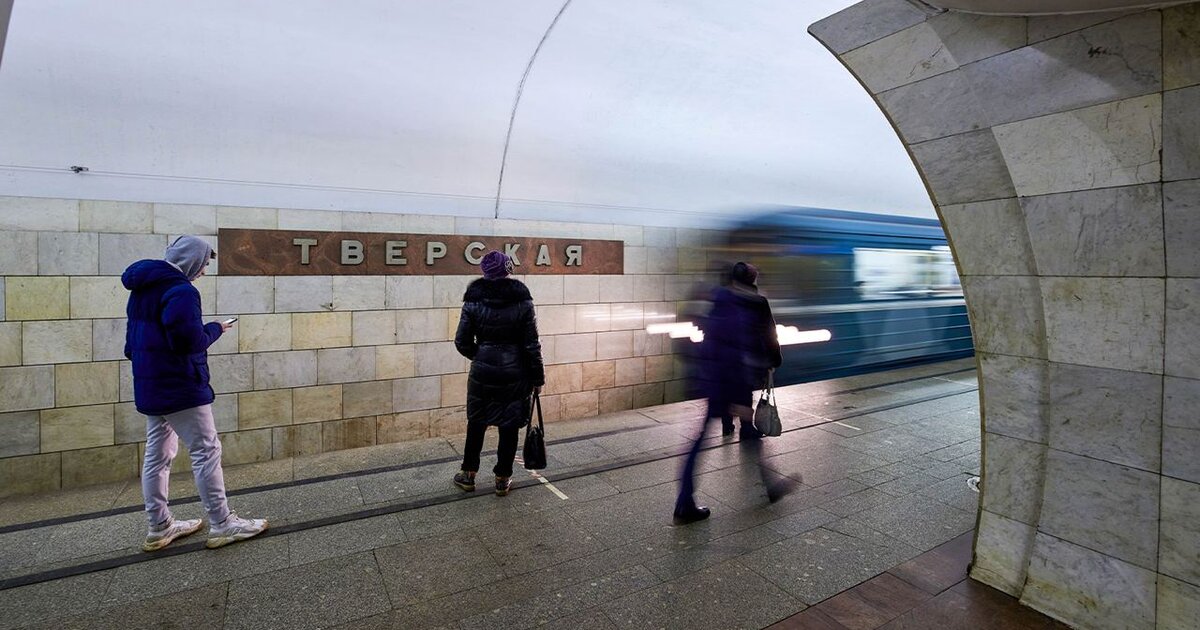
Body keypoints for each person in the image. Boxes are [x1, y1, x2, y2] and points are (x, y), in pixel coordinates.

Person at [123, 235, 267, 551]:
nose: (202, 271)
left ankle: (159, 526)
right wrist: (216, 328)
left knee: (157, 456)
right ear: (191, 261)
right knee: (206, 451)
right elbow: (188, 342)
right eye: (203, 265)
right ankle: (223, 523)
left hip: (150, 385)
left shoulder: (142, 289)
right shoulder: (182, 291)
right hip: (181, 386)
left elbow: (130, 346)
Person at [674, 261, 789, 524]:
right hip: (730, 382)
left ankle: (770, 485)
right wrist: (738, 397)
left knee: (744, 435)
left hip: (716, 378)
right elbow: (736, 349)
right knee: (710, 438)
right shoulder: (747, 304)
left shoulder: (720, 299)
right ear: (752, 280)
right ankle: (684, 502)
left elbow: (708, 341)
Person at [452, 250, 545, 496]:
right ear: (508, 269)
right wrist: (537, 378)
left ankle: (468, 474)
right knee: (509, 425)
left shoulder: (473, 300)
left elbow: (461, 341)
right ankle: (502, 478)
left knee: (477, 422)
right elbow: (531, 344)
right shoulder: (523, 300)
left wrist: (482, 356)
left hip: (482, 373)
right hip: (516, 373)